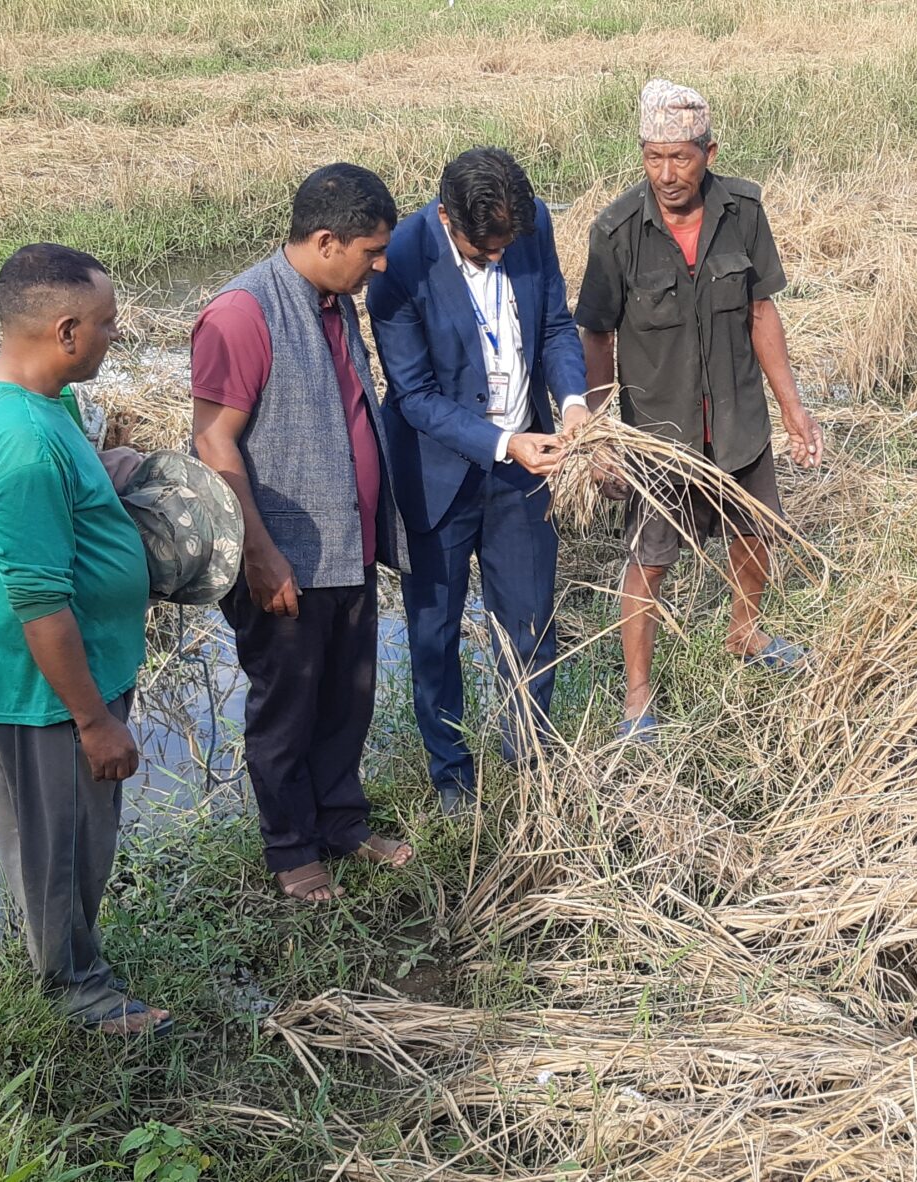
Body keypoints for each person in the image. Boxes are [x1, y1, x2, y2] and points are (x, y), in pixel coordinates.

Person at [0, 242, 167, 1035]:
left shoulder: (8, 394)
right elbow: (39, 600)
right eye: (106, 325)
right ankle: (79, 994)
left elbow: (58, 498)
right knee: (62, 847)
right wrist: (94, 720)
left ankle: (67, 967)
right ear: (66, 331)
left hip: (52, 678)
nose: (114, 337)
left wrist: (110, 468)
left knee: (52, 837)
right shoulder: (25, 445)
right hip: (49, 689)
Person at [190, 163, 415, 902]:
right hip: (284, 557)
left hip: (345, 545)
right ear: (326, 240)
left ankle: (342, 823)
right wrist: (260, 553)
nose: (380, 265)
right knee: (286, 708)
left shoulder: (331, 297)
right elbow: (215, 443)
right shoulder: (241, 314)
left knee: (348, 697)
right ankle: (291, 850)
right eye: (370, 250)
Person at [574, 78, 824, 744]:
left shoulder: (741, 212)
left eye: (680, 157)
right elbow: (595, 334)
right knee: (649, 560)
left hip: (737, 420)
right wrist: (602, 435)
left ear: (708, 152)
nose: (666, 174)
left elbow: (760, 310)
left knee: (753, 534)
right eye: (653, 157)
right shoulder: (618, 231)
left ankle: (745, 633)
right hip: (661, 432)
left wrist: (792, 409)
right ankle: (637, 700)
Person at [366, 147, 588, 816]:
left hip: (526, 468)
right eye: (481, 250)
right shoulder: (399, 258)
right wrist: (501, 443)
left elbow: (553, 324)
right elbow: (413, 393)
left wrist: (574, 402)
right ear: (444, 217)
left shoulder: (532, 223)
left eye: (506, 246)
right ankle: (453, 777)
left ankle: (530, 763)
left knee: (528, 621)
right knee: (434, 635)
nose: (497, 258)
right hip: (437, 472)